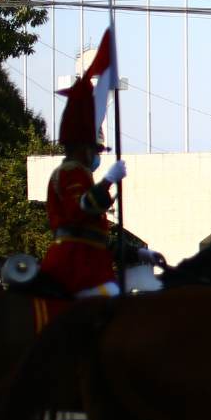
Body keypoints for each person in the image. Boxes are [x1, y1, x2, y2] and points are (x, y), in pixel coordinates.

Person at [41, 81, 128, 298]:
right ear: (83, 148)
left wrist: (137, 253)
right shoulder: (71, 171)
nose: (96, 154)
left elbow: (96, 234)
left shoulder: (82, 174)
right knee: (109, 299)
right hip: (75, 264)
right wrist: (108, 180)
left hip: (90, 261)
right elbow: (80, 210)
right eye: (94, 149)